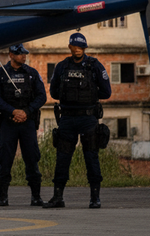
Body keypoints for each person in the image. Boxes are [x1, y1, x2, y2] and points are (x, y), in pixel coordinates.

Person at [43, 32, 112, 209]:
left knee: (91, 157)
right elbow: (54, 92)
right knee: (62, 158)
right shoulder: (61, 67)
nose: (78, 50)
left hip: (88, 119)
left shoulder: (95, 66)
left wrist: (90, 95)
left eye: (81, 47)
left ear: (85, 48)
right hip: (67, 119)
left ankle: (95, 198)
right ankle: (58, 197)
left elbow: (106, 92)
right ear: (70, 47)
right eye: (75, 47)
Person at [0, 44, 47, 207]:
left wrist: (26, 112)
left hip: (27, 123)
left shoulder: (32, 74)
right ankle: (2, 197)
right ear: (11, 55)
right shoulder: (0, 74)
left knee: (32, 159)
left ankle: (36, 197)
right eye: (20, 54)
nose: (23, 56)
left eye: (24, 54)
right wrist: (13, 111)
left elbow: (42, 96)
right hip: (9, 123)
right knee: (5, 159)